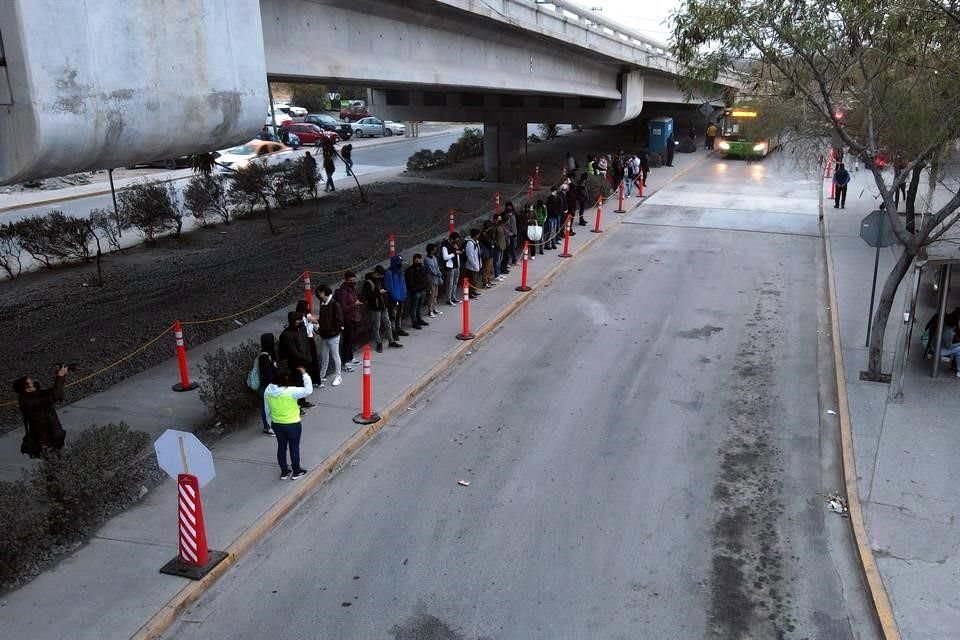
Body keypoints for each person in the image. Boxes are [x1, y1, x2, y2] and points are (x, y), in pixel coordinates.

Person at [264, 365, 313, 480]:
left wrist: (270, 423)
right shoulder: (291, 391)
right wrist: (305, 374)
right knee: (294, 447)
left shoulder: (268, 390)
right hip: (292, 425)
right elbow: (308, 390)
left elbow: (267, 410)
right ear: (285, 378)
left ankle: (284, 472)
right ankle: (296, 471)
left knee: (281, 447)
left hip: (277, 424)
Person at [13, 365, 68, 458]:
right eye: (31, 383)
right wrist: (60, 375)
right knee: (54, 466)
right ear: (27, 388)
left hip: (51, 438)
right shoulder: (30, 401)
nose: (34, 383)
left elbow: (53, 392)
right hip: (47, 442)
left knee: (60, 463)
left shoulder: (30, 396)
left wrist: (60, 376)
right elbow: (55, 395)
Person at [279, 311, 315, 410]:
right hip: (294, 364)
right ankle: (297, 406)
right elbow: (292, 351)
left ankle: (302, 401)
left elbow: (306, 342)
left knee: (303, 382)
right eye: (298, 320)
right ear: (293, 321)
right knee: (296, 384)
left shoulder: (302, 328)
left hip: (304, 361)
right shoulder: (286, 335)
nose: (301, 322)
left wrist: (308, 355)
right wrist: (305, 358)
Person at [362, 267, 403, 352]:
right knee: (376, 326)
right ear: (376, 273)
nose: (381, 277)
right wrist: (379, 293)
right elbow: (367, 296)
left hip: (383, 305)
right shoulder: (368, 283)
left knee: (387, 323)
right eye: (380, 275)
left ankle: (391, 341)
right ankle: (378, 342)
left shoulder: (379, 280)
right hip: (375, 307)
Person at [314, 284, 344, 387]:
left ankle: (338, 376)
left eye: (319, 293)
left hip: (332, 335)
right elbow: (323, 318)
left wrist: (332, 331)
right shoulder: (322, 302)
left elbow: (339, 320)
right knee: (324, 356)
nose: (318, 295)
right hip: (324, 334)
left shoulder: (334, 304)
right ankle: (322, 376)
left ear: (323, 292)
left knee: (335, 356)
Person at [334, 271, 362, 371]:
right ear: (346, 280)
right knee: (347, 341)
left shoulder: (352, 289)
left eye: (354, 280)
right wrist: (355, 304)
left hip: (354, 318)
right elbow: (344, 307)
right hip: (347, 319)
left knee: (351, 340)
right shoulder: (343, 291)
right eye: (351, 280)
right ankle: (345, 362)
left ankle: (350, 358)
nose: (354, 282)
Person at [256, 333, 279, 435]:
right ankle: (267, 427)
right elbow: (267, 373)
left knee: (271, 407)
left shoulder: (269, 354)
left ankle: (271, 425)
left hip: (271, 385)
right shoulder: (264, 357)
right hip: (266, 386)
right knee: (267, 408)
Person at [384, 255, 410, 338]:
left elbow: (403, 284)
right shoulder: (389, 272)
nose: (401, 263)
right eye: (399, 262)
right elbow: (389, 286)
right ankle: (393, 330)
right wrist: (395, 296)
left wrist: (404, 294)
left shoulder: (400, 271)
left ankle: (398, 328)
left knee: (399, 313)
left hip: (401, 297)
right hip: (393, 298)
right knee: (393, 315)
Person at [295, 300, 319, 381]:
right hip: (306, 340)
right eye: (307, 306)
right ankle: (311, 379)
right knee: (310, 359)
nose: (308, 307)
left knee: (313, 359)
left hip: (309, 339)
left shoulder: (307, 315)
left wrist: (313, 322)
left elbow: (315, 322)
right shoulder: (300, 317)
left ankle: (315, 379)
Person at [405, 253, 430, 329]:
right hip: (415, 292)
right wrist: (414, 290)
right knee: (414, 307)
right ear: (414, 260)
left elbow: (425, 279)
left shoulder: (422, 268)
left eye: (420, 259)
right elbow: (410, 282)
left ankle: (419, 319)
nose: (419, 261)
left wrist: (425, 288)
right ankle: (414, 322)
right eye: (417, 259)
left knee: (419, 306)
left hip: (422, 291)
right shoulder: (410, 270)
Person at [441, 232, 462, 306]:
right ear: (452, 239)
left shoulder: (455, 244)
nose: (457, 241)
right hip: (450, 267)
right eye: (456, 240)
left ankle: (453, 297)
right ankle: (448, 299)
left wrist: (457, 251)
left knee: (455, 283)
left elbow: (457, 252)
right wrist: (455, 252)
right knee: (449, 284)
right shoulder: (445, 245)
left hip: (456, 266)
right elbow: (445, 257)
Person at [423, 244, 444, 318]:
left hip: (436, 279)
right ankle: (430, 310)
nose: (436, 250)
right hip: (430, 279)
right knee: (431, 296)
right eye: (434, 249)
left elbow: (437, 267)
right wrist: (439, 274)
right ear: (431, 250)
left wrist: (439, 274)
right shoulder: (426, 259)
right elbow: (432, 270)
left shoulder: (434, 257)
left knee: (435, 295)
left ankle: (434, 308)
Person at [462, 229, 483, 297]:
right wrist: (475, 265)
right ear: (476, 235)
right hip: (472, 266)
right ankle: (470, 293)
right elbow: (470, 256)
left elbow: (478, 254)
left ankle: (474, 291)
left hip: (476, 264)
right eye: (478, 234)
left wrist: (479, 264)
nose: (479, 236)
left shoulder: (476, 242)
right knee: (472, 280)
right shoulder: (470, 243)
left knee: (475, 280)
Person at [502, 201, 518, 267]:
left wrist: (515, 232)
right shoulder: (504, 215)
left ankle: (514, 261)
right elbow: (503, 225)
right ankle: (507, 262)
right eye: (507, 206)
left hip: (514, 234)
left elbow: (516, 224)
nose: (509, 207)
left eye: (510, 206)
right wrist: (508, 233)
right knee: (508, 249)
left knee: (513, 248)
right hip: (508, 235)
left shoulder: (514, 214)